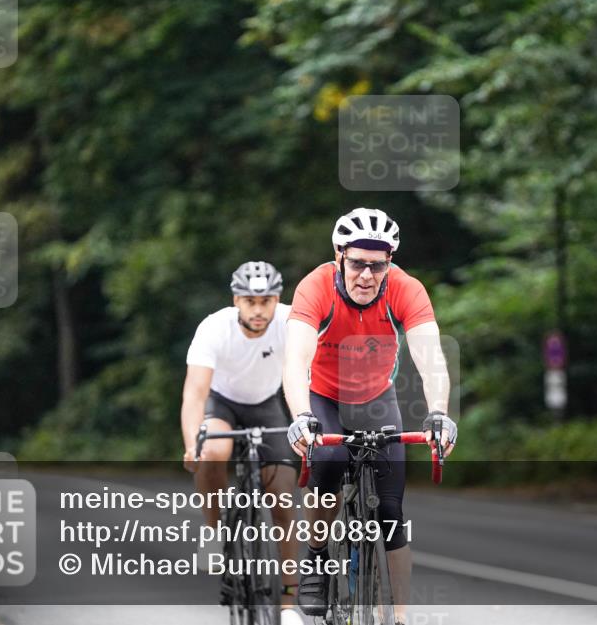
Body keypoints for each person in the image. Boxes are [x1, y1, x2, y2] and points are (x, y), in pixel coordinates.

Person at [283, 208, 458, 624]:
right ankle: (318, 555)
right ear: (340, 255)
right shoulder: (315, 288)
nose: (366, 275)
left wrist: (438, 414)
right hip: (323, 396)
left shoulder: (405, 289)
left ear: (389, 263)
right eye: (358, 263)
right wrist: (302, 416)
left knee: (392, 515)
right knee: (327, 466)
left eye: (377, 266)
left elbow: (431, 359)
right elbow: (294, 362)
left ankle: (396, 618)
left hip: (377, 400)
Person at [180, 261, 302, 625]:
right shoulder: (214, 329)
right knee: (213, 451)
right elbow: (194, 393)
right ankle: (216, 532)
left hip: (266, 404)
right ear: (237, 300)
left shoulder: (292, 322)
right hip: (223, 402)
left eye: (266, 301)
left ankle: (288, 603)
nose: (259, 310)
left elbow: (309, 371)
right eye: (250, 301)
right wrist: (192, 444)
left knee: (282, 493)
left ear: (277, 300)